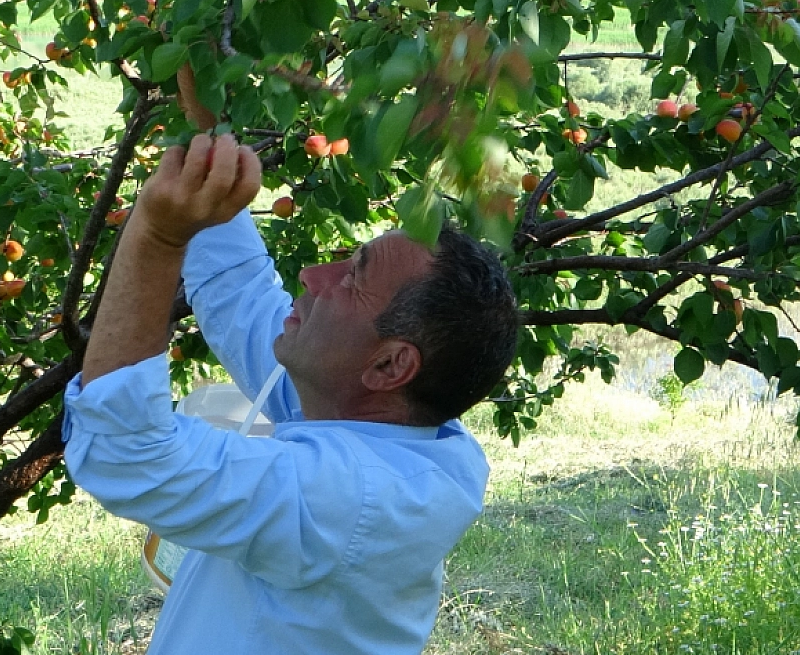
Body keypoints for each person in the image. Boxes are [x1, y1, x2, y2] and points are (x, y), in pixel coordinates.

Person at [62, 133, 519, 653]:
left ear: (391, 365)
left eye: (351, 279)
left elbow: (126, 453)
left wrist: (160, 238)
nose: (312, 275)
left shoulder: (351, 496)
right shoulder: (382, 421)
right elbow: (242, 297)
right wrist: (210, 143)